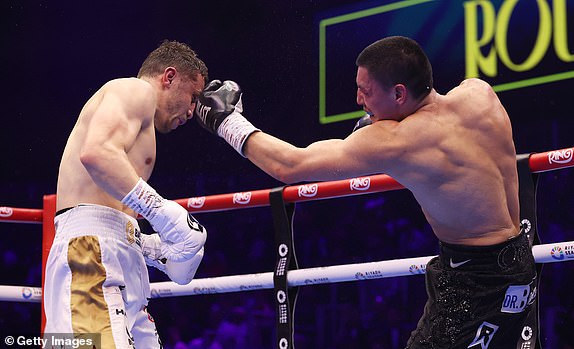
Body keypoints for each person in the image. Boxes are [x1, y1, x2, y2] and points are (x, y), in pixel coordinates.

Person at [194, 36, 539, 348]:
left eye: (367, 91)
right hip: (519, 262)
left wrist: (228, 122)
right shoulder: (479, 93)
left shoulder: (398, 141)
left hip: (474, 282)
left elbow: (291, 166)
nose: (359, 99)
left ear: (399, 94)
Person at [44, 40, 208, 348]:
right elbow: (96, 153)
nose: (192, 110)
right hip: (90, 253)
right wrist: (164, 214)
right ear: (169, 77)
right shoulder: (135, 91)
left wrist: (150, 246)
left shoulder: (142, 123)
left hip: (117, 259)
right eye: (193, 96)